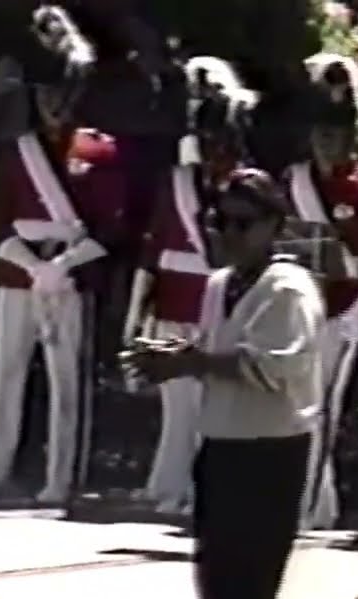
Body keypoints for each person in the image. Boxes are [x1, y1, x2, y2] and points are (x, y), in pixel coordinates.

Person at [124, 169, 324, 599]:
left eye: (243, 223)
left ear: (274, 226)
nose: (228, 234)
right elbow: (218, 350)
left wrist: (190, 362)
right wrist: (174, 358)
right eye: (220, 222)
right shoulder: (219, 285)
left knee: (250, 589)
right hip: (222, 445)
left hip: (270, 451)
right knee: (216, 581)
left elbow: (273, 366)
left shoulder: (288, 290)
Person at [0, 19, 114, 505]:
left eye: (61, 93)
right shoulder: (19, 151)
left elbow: (109, 228)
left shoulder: (97, 150)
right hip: (20, 273)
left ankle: (60, 479)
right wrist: (33, 266)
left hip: (69, 277)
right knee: (5, 377)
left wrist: (63, 265)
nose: (53, 104)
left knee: (65, 383)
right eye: (46, 93)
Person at [283, 89, 358, 530]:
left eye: (336, 134)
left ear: (351, 137)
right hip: (290, 310)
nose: (326, 143)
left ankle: (306, 506)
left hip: (339, 313)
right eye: (320, 133)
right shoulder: (289, 182)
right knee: (284, 407)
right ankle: (313, 502)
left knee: (318, 410)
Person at [123, 93, 247, 515]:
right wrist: (137, 311)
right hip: (174, 305)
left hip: (217, 311)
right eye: (209, 140)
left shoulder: (246, 188)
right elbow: (154, 246)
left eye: (223, 141)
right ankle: (167, 483)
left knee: (207, 408)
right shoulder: (176, 182)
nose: (216, 150)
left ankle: (194, 489)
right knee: (177, 408)